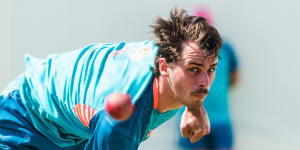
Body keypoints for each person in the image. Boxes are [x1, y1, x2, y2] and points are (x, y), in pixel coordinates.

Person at [0, 7, 223, 150]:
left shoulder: (172, 55)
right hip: (24, 118)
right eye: (194, 69)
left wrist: (194, 108)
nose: (204, 81)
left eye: (211, 69)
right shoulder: (121, 122)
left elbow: (191, 68)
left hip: (70, 134)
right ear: (164, 67)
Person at [177, 6, 239, 150]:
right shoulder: (184, 49)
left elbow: (234, 77)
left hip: (220, 118)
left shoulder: (226, 48)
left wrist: (214, 91)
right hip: (191, 118)